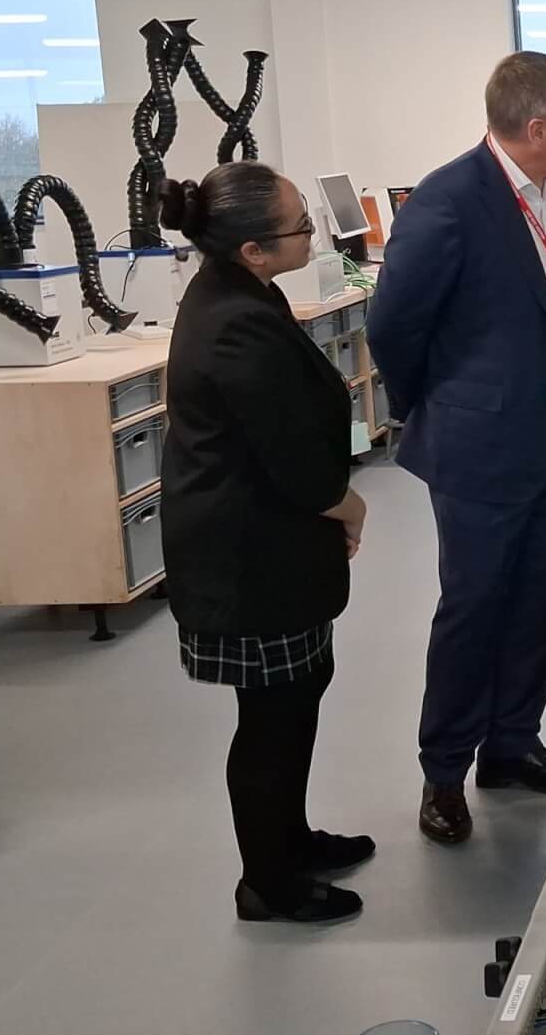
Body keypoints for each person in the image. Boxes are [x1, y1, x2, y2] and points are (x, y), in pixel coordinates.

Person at [368, 53, 546, 845]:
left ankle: (512, 744)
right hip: (480, 445)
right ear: (537, 127)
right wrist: (446, 409)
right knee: (474, 606)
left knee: (538, 593)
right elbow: (392, 328)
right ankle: (443, 770)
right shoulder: (449, 201)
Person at [158, 163, 374, 924]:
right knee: (270, 722)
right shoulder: (235, 321)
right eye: (300, 228)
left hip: (269, 547)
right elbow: (290, 456)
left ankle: (290, 838)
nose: (313, 235)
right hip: (249, 557)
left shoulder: (240, 292)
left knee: (294, 698)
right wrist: (349, 506)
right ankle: (267, 882)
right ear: (253, 248)